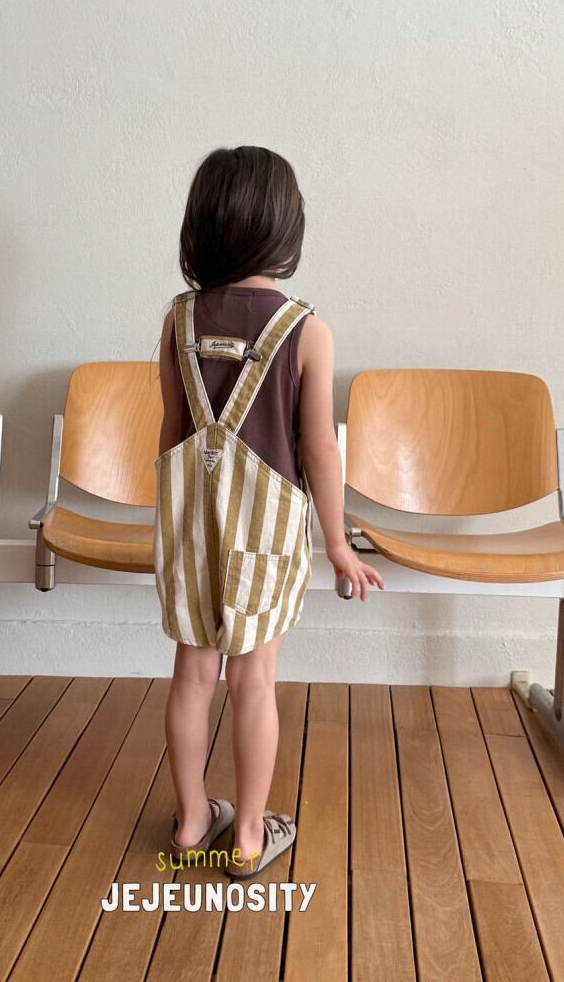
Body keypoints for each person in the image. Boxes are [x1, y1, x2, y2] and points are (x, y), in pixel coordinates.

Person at [154, 146, 383, 877]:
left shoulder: (178, 322)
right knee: (253, 681)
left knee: (192, 674)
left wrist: (172, 526)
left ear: (202, 227)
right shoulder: (305, 330)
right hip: (267, 536)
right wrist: (338, 544)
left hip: (191, 529)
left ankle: (192, 821)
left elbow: (171, 437)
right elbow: (319, 450)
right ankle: (250, 835)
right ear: (286, 229)